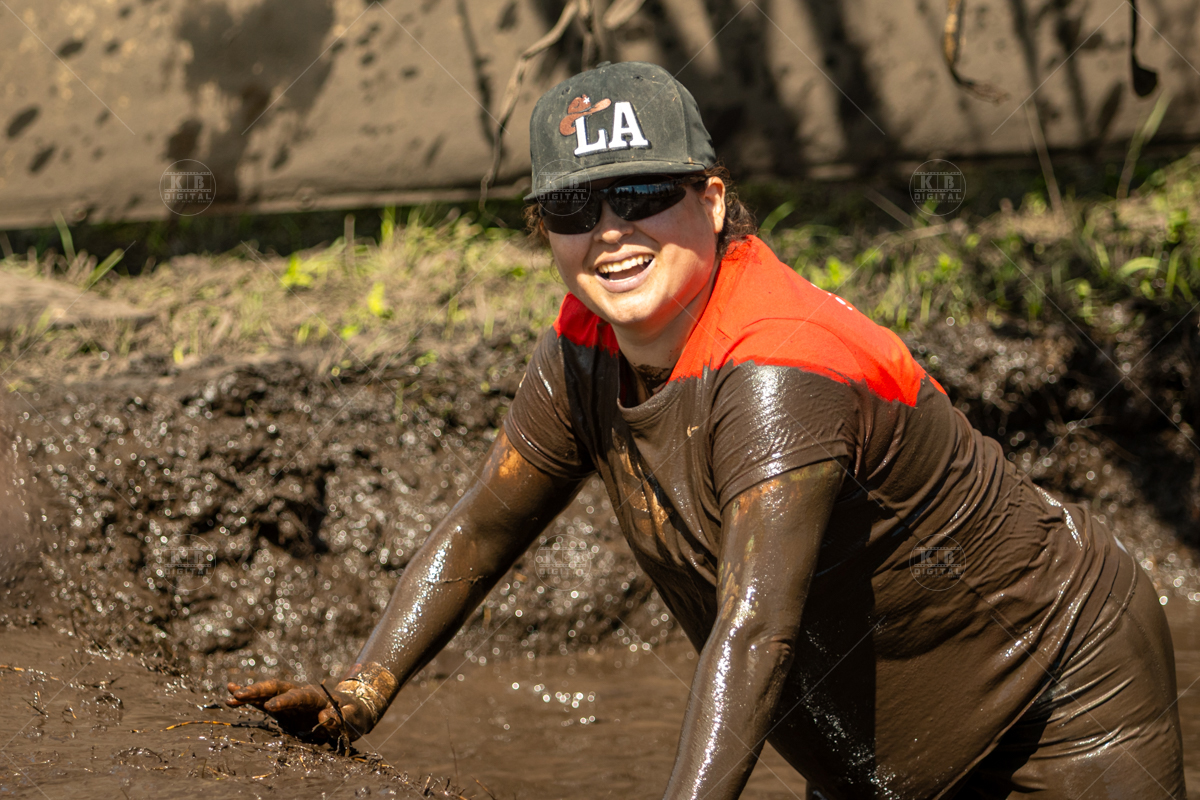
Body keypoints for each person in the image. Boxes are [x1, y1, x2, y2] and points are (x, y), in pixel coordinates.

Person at [228, 61, 1186, 799]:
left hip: (1059, 691)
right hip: (876, 748)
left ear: (714, 201)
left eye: (643, 197)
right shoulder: (581, 347)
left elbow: (756, 626)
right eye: (573, 207)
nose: (609, 231)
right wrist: (362, 693)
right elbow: (483, 528)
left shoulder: (777, 367)